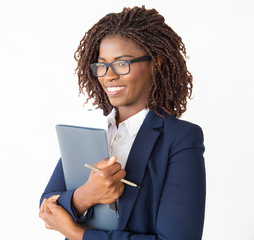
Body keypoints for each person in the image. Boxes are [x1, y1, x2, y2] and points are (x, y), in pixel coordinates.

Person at [39, 5, 206, 240]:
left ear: (155, 63)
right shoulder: (87, 129)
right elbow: (46, 206)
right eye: (102, 65)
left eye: (122, 63)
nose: (109, 75)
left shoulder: (179, 138)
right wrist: (85, 196)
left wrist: (76, 233)